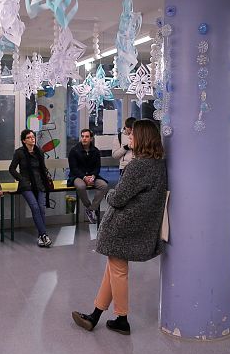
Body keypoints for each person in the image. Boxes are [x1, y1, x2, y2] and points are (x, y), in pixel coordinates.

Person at [71, 119, 168, 335]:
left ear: (142, 138)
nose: (129, 137)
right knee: (113, 269)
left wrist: (110, 193)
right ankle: (95, 315)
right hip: (139, 224)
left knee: (118, 271)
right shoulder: (158, 164)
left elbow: (118, 198)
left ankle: (122, 318)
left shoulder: (138, 165)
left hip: (123, 226)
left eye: (133, 134)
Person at [9, 129, 53, 248]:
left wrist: (46, 180)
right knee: (35, 207)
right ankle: (44, 235)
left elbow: (42, 168)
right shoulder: (19, 152)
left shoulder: (39, 151)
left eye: (33, 136)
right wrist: (21, 179)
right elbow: (11, 169)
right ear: (24, 140)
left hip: (39, 184)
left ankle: (41, 236)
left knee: (41, 209)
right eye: (29, 137)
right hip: (26, 184)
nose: (32, 139)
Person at [68, 128, 109, 224]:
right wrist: (84, 177)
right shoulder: (74, 150)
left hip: (92, 176)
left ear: (91, 138)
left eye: (87, 136)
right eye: (82, 136)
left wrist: (93, 176)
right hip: (77, 176)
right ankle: (88, 206)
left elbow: (97, 167)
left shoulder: (95, 151)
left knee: (104, 185)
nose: (84, 138)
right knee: (81, 186)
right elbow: (73, 168)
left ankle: (91, 209)